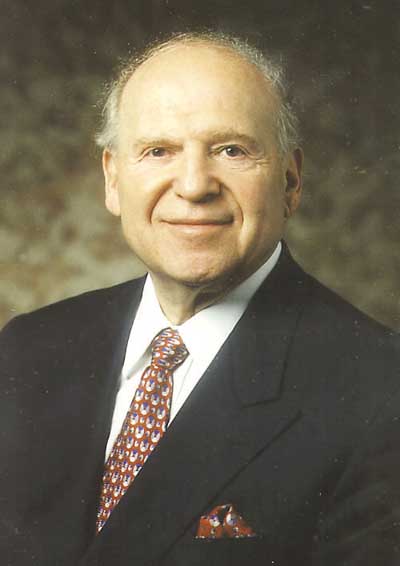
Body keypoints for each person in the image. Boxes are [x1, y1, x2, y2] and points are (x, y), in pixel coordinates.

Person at [0, 31, 399, 566]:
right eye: (158, 151)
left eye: (231, 150)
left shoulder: (380, 391)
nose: (193, 185)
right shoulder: (29, 348)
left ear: (290, 180)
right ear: (113, 179)